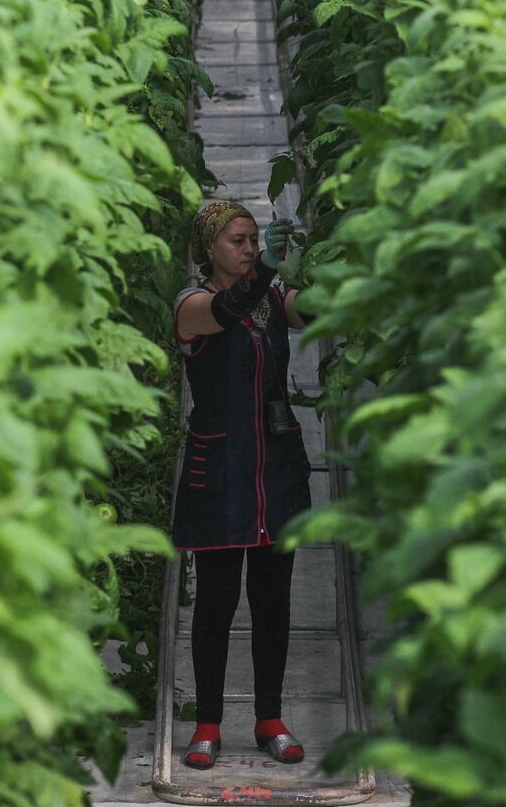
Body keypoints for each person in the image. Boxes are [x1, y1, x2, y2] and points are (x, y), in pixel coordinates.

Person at [169, 199, 313, 770]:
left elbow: (318, 311)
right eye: (238, 240)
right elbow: (228, 310)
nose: (250, 249)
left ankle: (270, 718)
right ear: (209, 249)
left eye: (255, 239)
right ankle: (207, 723)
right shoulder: (193, 305)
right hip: (221, 477)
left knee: (273, 603)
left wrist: (341, 262)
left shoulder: (274, 299)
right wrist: (273, 273)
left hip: (275, 472)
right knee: (217, 604)